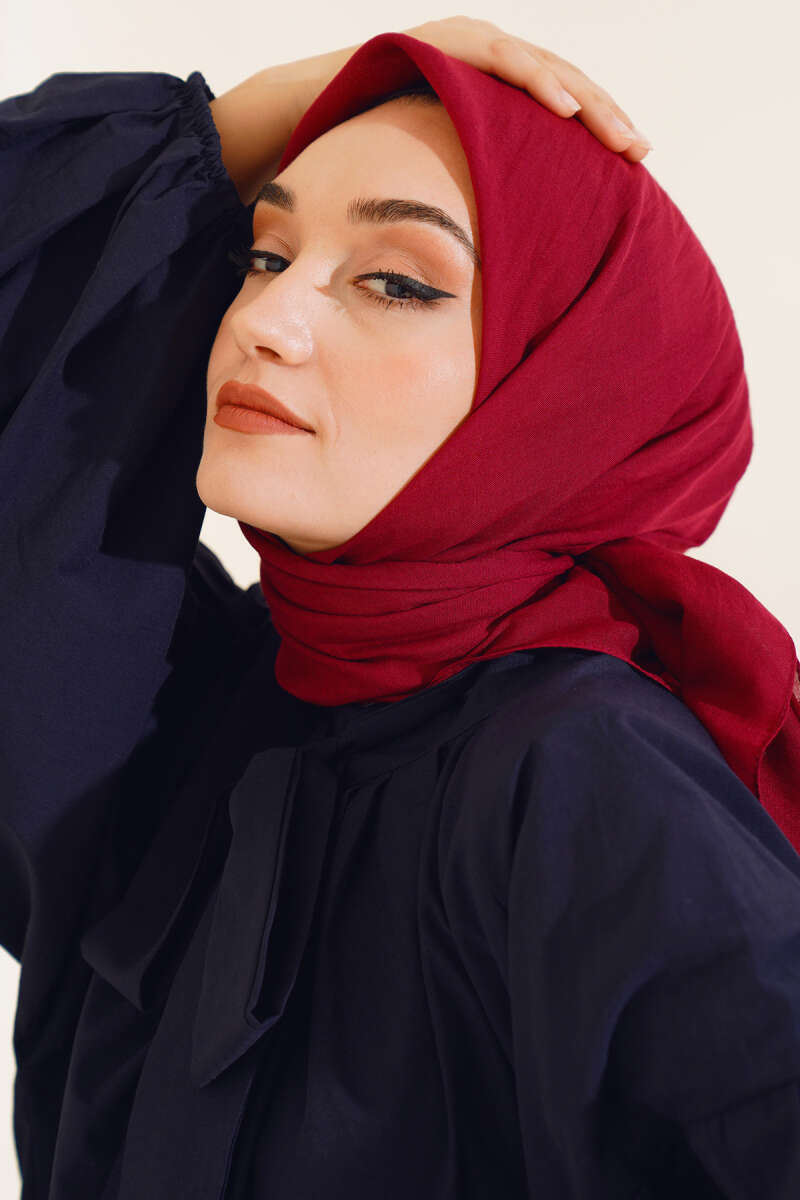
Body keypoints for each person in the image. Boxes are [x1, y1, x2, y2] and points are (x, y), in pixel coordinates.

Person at [1, 19, 799, 1200]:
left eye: (395, 282)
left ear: (559, 391)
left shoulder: (583, 771)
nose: (263, 321)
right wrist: (249, 115)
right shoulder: (201, 696)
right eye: (263, 255)